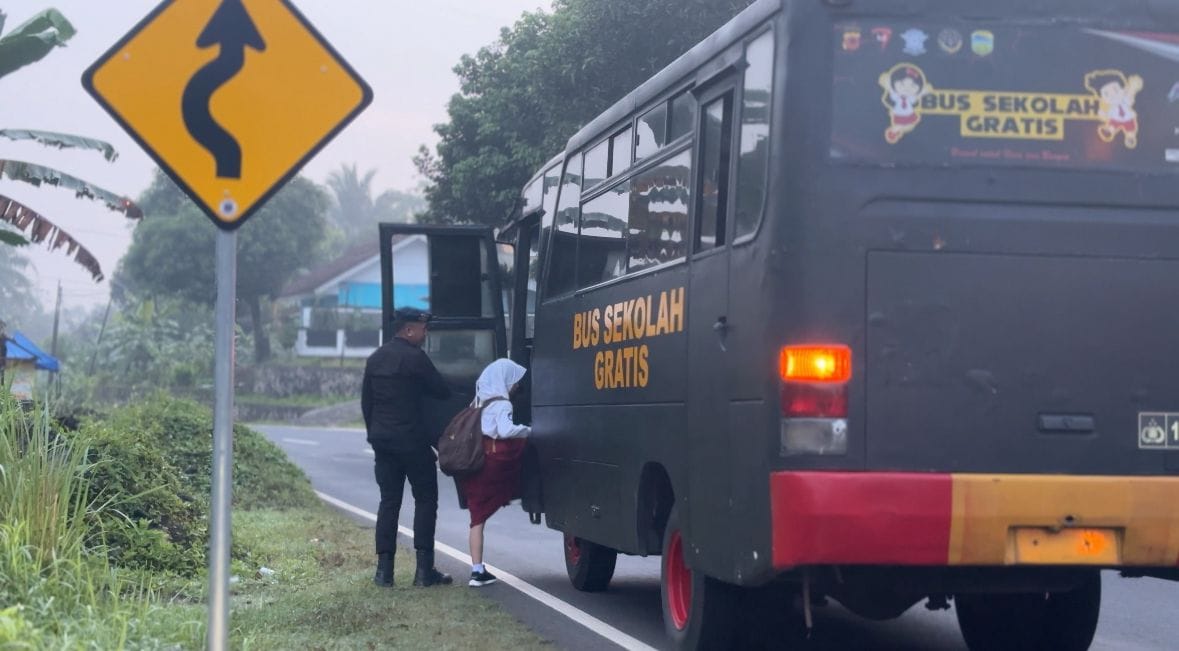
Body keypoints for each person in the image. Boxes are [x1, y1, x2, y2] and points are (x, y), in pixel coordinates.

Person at [362, 307, 453, 588]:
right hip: (413, 442)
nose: (425, 334)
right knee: (425, 500)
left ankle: (383, 573)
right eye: (423, 330)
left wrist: (375, 434)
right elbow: (442, 390)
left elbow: (367, 403)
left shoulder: (375, 358)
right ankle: (424, 572)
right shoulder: (415, 358)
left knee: (389, 501)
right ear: (409, 330)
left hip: (383, 443)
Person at [459, 359, 531, 587]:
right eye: (513, 381)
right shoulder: (503, 404)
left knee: (477, 518)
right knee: (511, 480)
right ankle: (514, 495)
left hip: (475, 462)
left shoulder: (478, 400)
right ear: (505, 380)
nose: (516, 386)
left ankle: (477, 569)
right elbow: (505, 431)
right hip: (493, 464)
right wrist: (529, 430)